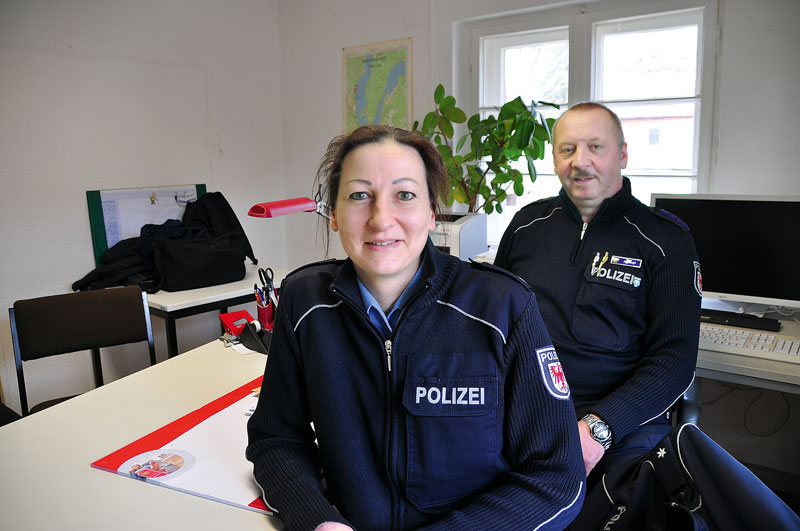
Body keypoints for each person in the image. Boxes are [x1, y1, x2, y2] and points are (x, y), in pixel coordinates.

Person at [246, 125, 585, 530]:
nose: (380, 218)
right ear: (333, 214)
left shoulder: (502, 307)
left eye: (404, 195)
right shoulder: (305, 304)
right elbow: (276, 440)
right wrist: (318, 521)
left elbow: (557, 477)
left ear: (430, 213)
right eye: (359, 195)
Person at [494, 103, 702, 480]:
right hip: (520, 411)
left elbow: (674, 361)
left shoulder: (665, 240)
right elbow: (492, 321)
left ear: (622, 154)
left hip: (617, 423)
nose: (580, 161)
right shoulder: (527, 224)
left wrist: (598, 428)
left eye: (596, 147)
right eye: (567, 149)